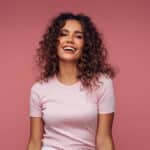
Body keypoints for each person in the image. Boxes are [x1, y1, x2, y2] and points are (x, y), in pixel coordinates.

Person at [26, 12, 117, 150]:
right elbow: (34, 142)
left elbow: (104, 139)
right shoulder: (39, 89)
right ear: (54, 42)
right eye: (63, 34)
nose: (70, 40)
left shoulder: (102, 84)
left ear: (86, 45)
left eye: (78, 36)